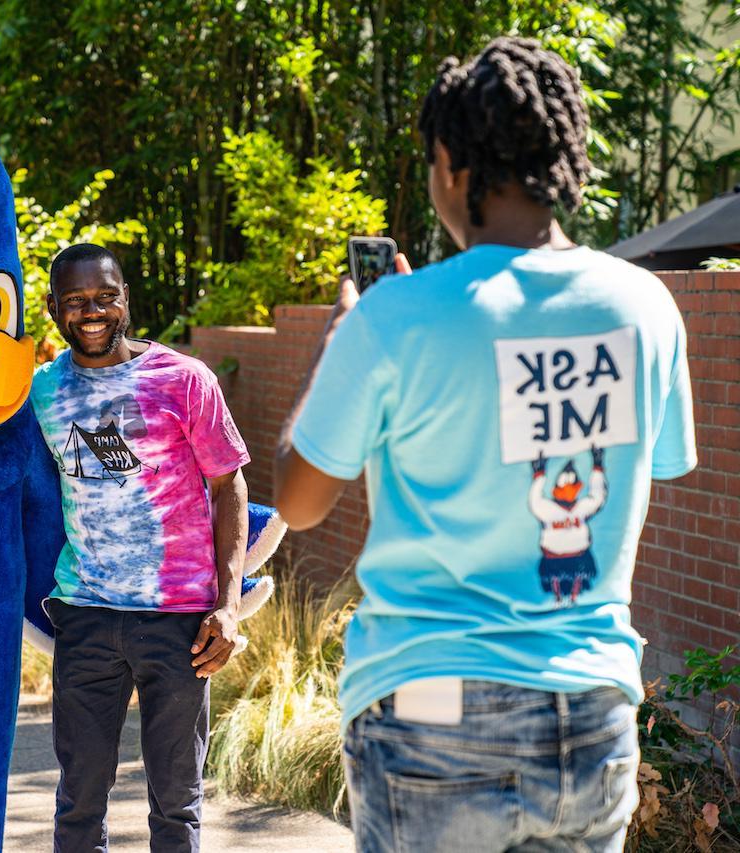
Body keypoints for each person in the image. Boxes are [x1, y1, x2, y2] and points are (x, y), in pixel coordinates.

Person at [274, 38, 696, 852]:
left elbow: (298, 500)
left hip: (432, 707)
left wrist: (340, 339)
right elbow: (654, 466)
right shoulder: (647, 308)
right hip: (594, 707)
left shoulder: (393, 315)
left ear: (452, 165)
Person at [30, 243, 250, 853]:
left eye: (105, 296)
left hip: (179, 621)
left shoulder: (183, 380)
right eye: (75, 301)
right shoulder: (40, 393)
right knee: (78, 801)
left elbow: (229, 484)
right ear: (53, 309)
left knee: (177, 805)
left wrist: (226, 606)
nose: (92, 311)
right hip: (86, 613)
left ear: (126, 299)